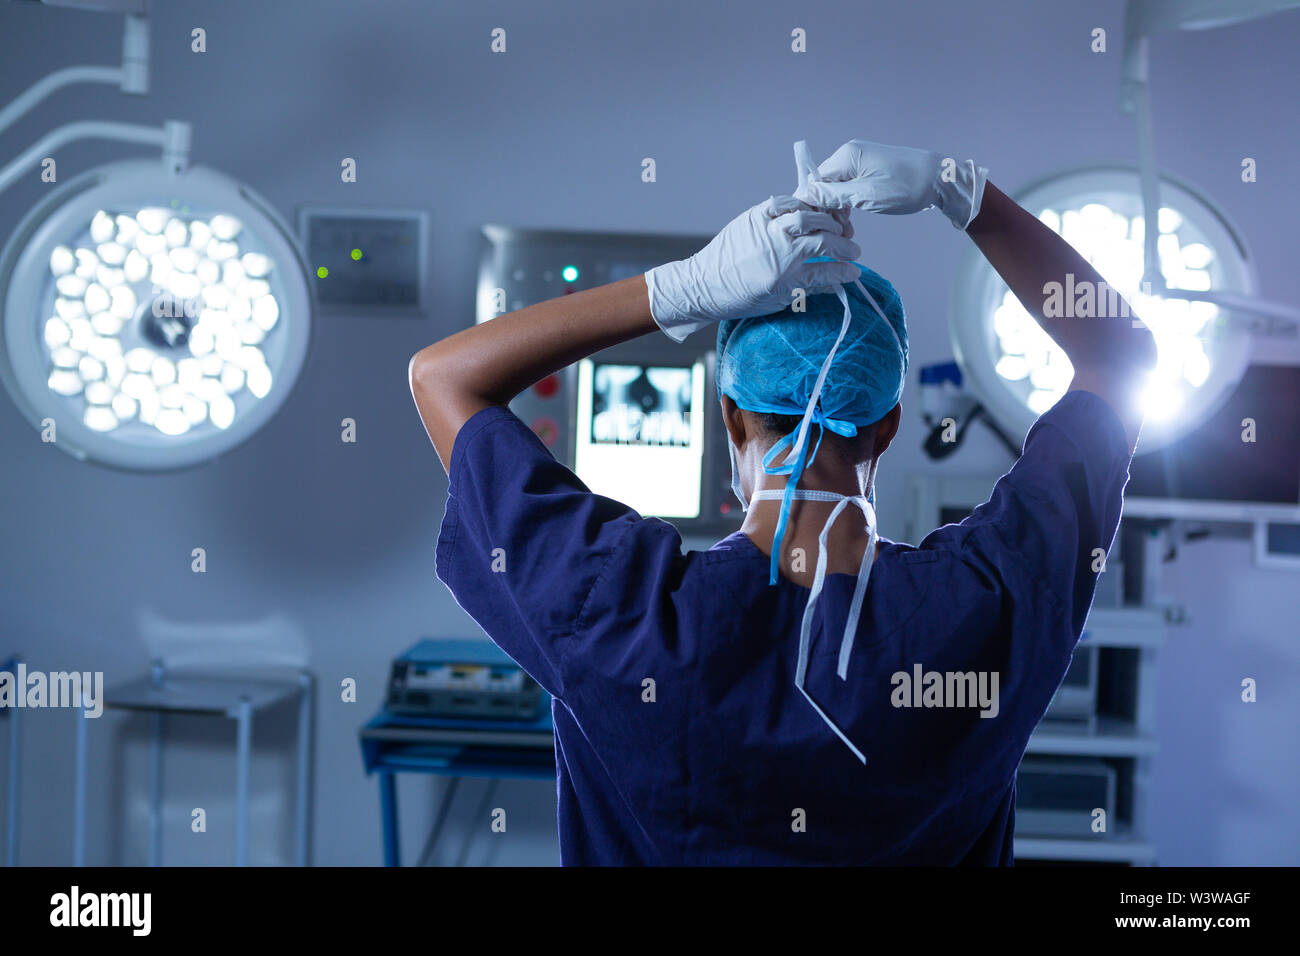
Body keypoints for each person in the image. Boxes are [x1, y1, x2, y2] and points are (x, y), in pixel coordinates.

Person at [408, 139, 1156, 865]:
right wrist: (961, 192)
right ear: (888, 425)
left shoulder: (619, 613)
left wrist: (683, 289)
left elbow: (443, 379)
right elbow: (1120, 359)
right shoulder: (987, 606)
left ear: (729, 416)